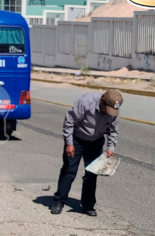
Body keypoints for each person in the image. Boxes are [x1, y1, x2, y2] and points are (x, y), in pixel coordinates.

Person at [51, 89, 122, 217]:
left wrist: (110, 148)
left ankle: (87, 205)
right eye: (107, 109)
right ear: (102, 101)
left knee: (92, 174)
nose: (108, 113)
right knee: (69, 171)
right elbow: (69, 122)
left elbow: (113, 130)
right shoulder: (85, 102)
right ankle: (59, 201)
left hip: (95, 142)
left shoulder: (113, 108)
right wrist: (69, 143)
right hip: (77, 140)